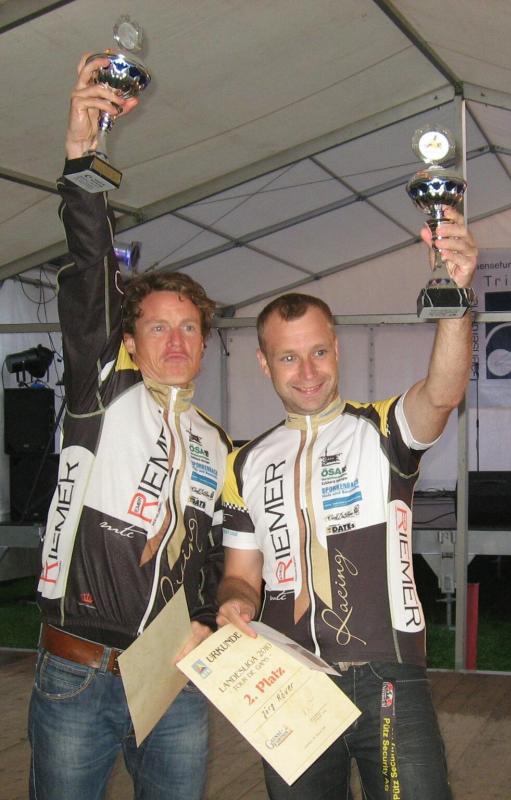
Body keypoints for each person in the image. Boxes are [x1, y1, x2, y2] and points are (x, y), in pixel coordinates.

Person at [216, 212, 476, 799]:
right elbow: (241, 576)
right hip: (290, 683)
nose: (307, 372)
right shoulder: (243, 463)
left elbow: (442, 393)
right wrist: (234, 604)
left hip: (387, 677)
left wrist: (456, 301)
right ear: (264, 363)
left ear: (336, 348)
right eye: (288, 358)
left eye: (318, 352)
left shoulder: (383, 430)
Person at [27, 55, 231, 800]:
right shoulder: (101, 390)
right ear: (130, 341)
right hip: (78, 673)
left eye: (189, 328)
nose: (175, 342)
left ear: (204, 343)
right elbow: (89, 275)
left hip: (173, 680)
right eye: (157, 327)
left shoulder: (215, 442)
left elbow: (213, 557)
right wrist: (84, 162)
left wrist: (210, 621)